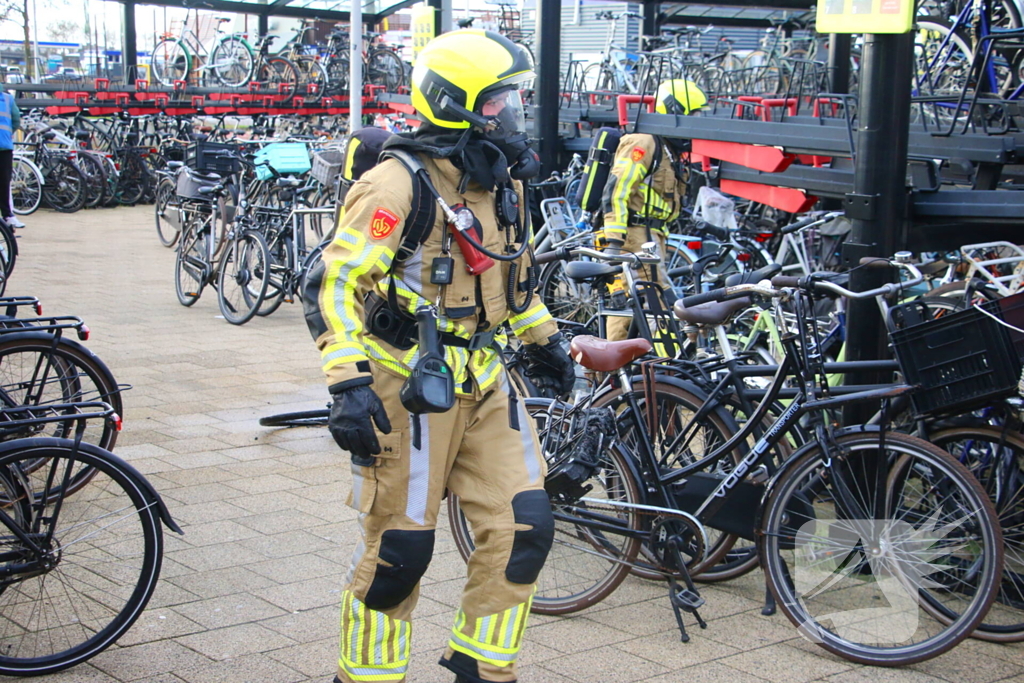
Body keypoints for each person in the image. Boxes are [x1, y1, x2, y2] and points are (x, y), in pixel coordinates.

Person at [303, 29, 575, 683]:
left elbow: (513, 285)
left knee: (525, 527)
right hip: (409, 388)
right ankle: (365, 676)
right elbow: (332, 284)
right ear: (456, 104)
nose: (510, 113)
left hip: (486, 379)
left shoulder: (501, 182)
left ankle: (483, 669)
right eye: (497, 100)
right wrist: (346, 382)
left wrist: (545, 341)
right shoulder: (395, 185)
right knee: (399, 552)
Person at [599, 79, 706, 341]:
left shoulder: (668, 148)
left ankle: (631, 360)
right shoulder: (644, 142)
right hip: (633, 234)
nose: (695, 124)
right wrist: (614, 241)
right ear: (673, 111)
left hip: (653, 234)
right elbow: (616, 191)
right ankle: (617, 361)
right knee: (648, 296)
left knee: (641, 299)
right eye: (692, 116)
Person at [0, 87, 23, 229]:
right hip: (4, 145)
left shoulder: (8, 99)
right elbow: (16, 121)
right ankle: (8, 216)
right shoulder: (8, 99)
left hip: (4, 145)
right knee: (4, 182)